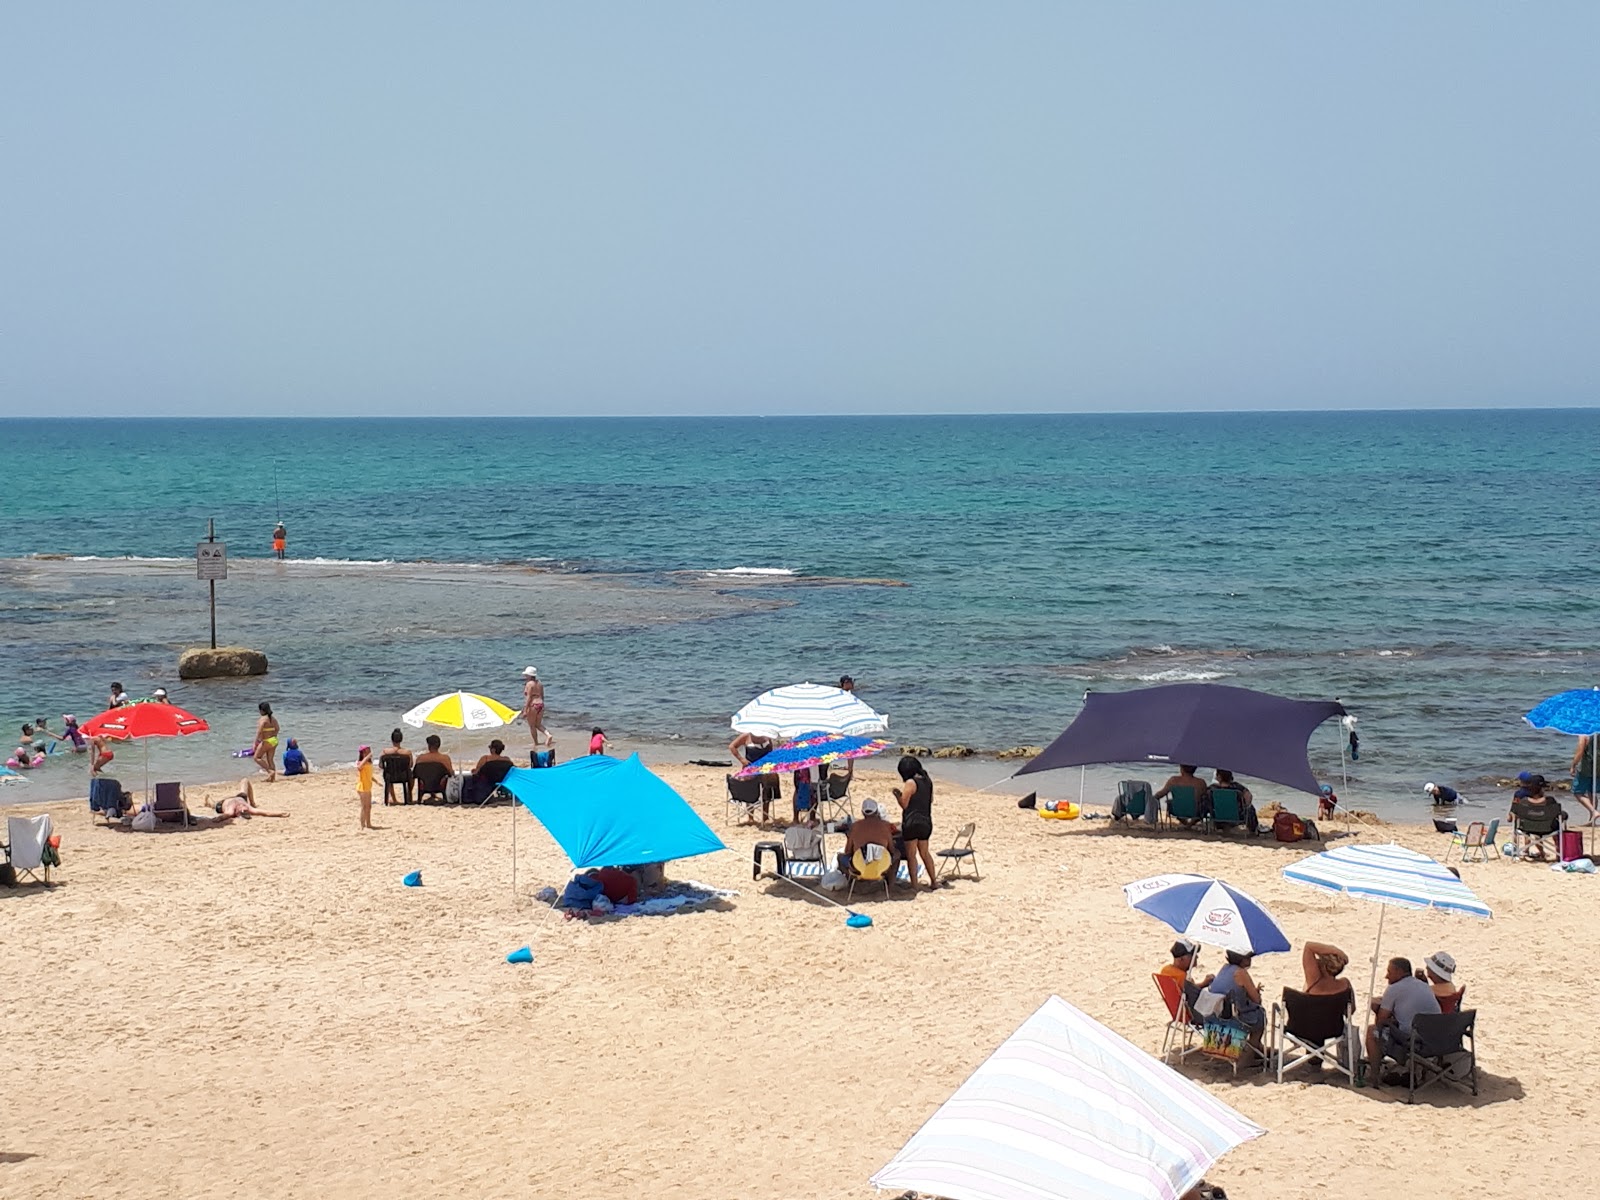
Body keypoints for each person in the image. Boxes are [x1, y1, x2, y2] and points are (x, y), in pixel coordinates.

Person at [1365, 956, 1441, 1083]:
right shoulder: (1424, 985)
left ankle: (1374, 1075)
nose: (1386, 976)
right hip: (1436, 1038)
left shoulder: (1394, 989)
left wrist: (1376, 1008)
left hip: (1413, 1041)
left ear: (1399, 971)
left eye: (1389, 972)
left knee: (1372, 1032)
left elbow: (1380, 1022)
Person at [1200, 950, 1266, 1052]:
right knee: (1260, 1015)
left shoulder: (1224, 968)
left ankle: (1256, 1047)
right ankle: (1252, 1050)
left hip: (1216, 1016)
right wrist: (1255, 992)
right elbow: (1257, 1000)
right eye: (1249, 957)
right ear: (1243, 959)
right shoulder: (1240, 973)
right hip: (1234, 1018)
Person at [894, 755, 938, 892]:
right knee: (925, 853)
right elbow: (930, 800)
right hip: (926, 821)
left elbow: (904, 804)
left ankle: (914, 885)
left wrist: (897, 795)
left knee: (911, 855)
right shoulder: (927, 781)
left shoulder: (910, 783)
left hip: (912, 822)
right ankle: (934, 881)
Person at [838, 797, 897, 875]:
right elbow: (891, 849)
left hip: (859, 867)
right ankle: (890, 885)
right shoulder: (885, 826)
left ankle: (851, 882)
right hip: (881, 867)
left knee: (840, 857)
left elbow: (848, 851)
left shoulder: (855, 826)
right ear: (876, 811)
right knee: (897, 855)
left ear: (863, 812)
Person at [729, 731, 780, 818]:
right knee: (751, 790)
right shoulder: (746, 736)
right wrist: (742, 759)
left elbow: (770, 750)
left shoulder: (767, 736)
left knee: (767, 791)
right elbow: (732, 746)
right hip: (750, 768)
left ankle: (765, 816)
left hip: (765, 768)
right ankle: (750, 816)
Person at [1300, 941, 1354, 1006]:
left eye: (1320, 960)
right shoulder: (1345, 984)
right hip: (1334, 1016)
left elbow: (1308, 946)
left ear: (1324, 966)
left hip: (1311, 1015)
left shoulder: (1314, 982)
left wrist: (1335, 950)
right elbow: (1352, 1009)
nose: (1317, 961)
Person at [1159, 938, 1205, 1009]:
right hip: (1188, 1011)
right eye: (1192, 955)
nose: (1196, 957)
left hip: (1176, 1010)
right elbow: (1194, 993)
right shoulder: (1182, 977)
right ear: (1181, 959)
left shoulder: (1165, 970)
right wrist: (1205, 983)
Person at [212, 779, 290, 820]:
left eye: (241, 810)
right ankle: (253, 802)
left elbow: (222, 817)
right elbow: (266, 812)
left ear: (237, 813)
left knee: (212, 804)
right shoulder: (249, 808)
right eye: (245, 809)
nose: (242, 807)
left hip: (221, 804)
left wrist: (218, 819)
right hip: (240, 797)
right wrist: (281, 813)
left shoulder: (231, 811)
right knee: (245, 780)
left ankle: (208, 802)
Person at [412, 735, 453, 802]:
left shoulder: (420, 758)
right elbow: (451, 773)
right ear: (439, 745)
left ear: (428, 746)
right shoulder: (445, 758)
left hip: (424, 785)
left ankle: (428, 795)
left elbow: (415, 774)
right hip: (439, 786)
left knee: (428, 774)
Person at [378, 728, 414, 806]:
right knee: (411, 774)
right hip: (404, 776)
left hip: (390, 777)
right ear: (401, 739)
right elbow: (410, 765)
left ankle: (394, 799)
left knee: (388, 772)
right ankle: (409, 796)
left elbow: (380, 765)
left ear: (392, 739)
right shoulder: (407, 752)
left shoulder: (385, 752)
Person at [521, 666, 554, 749]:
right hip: (540, 704)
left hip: (533, 705)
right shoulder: (539, 683)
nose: (525, 677)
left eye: (526, 675)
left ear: (529, 675)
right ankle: (548, 734)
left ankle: (536, 743)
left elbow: (528, 698)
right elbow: (542, 696)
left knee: (532, 725)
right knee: (538, 724)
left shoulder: (529, 684)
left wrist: (525, 709)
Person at [1570, 734, 1597, 823]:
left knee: (1577, 792)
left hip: (1587, 766)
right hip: (1598, 766)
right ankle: (1592, 819)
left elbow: (1580, 750)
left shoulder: (1585, 733)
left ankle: (1594, 811)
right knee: (1591, 791)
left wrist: (1573, 764)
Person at [252, 702, 280, 781]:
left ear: (262, 711)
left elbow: (259, 731)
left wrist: (255, 742)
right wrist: (273, 735)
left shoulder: (263, 719)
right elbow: (277, 728)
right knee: (270, 759)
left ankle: (269, 771)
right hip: (274, 740)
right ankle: (272, 778)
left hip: (266, 741)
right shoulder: (273, 719)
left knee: (257, 758)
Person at [355, 745, 374, 829]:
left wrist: (376, 782)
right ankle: (362, 825)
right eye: (367, 751)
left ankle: (368, 823)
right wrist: (366, 757)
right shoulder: (361, 763)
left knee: (369, 806)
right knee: (364, 806)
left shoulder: (369, 763)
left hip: (368, 786)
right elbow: (359, 767)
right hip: (362, 787)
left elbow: (369, 775)